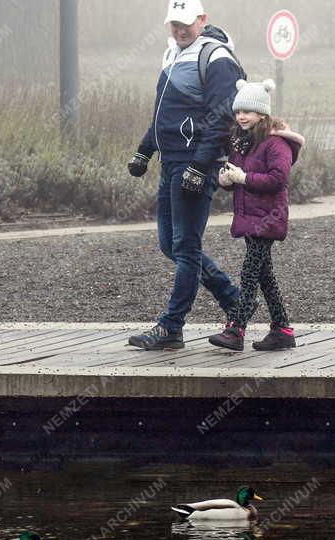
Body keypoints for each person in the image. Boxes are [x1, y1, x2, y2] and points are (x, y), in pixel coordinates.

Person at [126, 0, 244, 350]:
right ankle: (235, 300)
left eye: (186, 23)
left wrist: (200, 164)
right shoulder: (172, 53)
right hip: (171, 161)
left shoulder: (217, 58)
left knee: (186, 247)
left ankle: (171, 326)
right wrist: (145, 149)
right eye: (174, 24)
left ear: (202, 20)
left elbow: (224, 116)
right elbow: (164, 111)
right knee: (170, 244)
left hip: (194, 164)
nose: (179, 30)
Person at [209, 80, 305, 352]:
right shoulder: (242, 142)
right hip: (250, 217)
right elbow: (236, 173)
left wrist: (243, 177)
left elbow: (278, 179)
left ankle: (236, 329)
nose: (241, 116)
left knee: (250, 271)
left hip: (267, 218)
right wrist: (227, 180)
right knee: (264, 275)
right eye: (238, 111)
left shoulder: (277, 143)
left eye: (248, 111)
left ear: (262, 113)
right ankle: (282, 330)